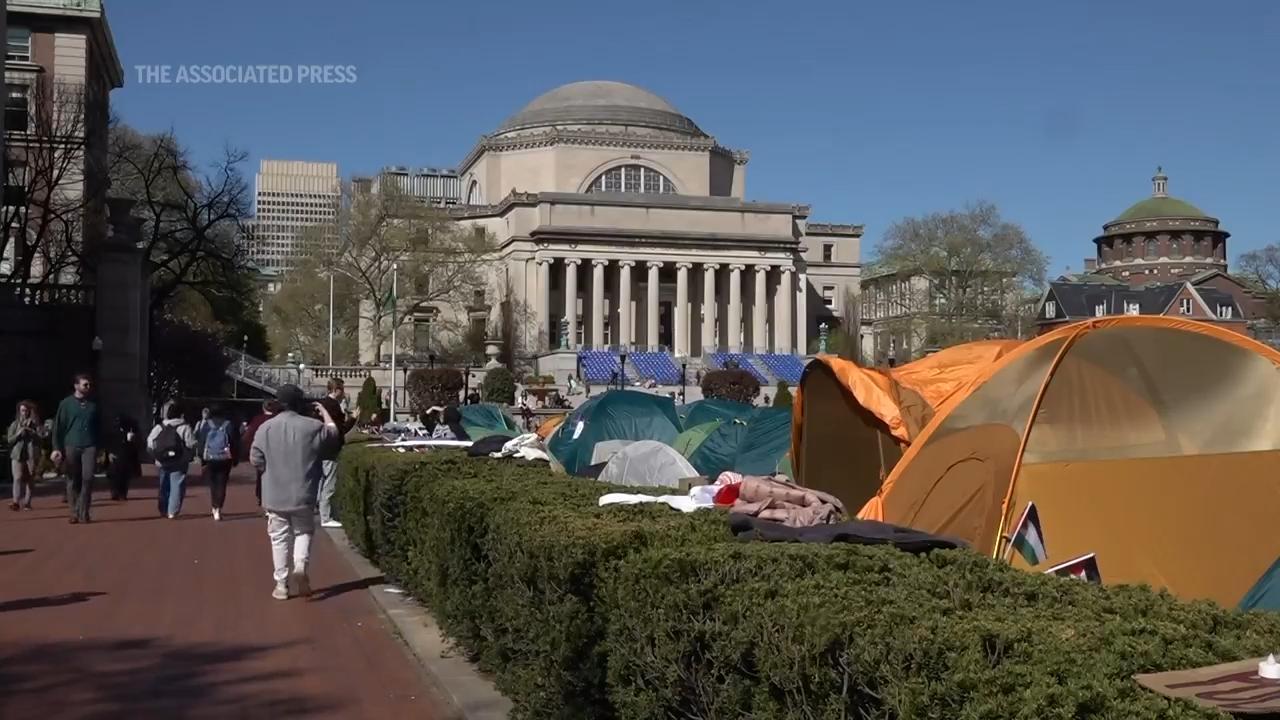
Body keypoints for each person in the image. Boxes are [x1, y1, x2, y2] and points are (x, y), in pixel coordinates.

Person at [251, 384, 340, 601]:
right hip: (304, 491)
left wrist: (267, 470)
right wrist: (324, 412)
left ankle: (281, 584)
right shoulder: (312, 426)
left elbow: (255, 458)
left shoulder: (265, 428)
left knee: (278, 538)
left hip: (274, 493)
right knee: (303, 531)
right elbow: (334, 434)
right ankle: (300, 565)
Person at [51, 373, 100, 524]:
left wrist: (102, 448)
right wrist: (56, 448)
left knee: (88, 478)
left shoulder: (94, 405)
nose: (88, 387)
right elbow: (58, 427)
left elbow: (99, 427)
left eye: (89, 384)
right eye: (85, 384)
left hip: (89, 445)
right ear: (76, 386)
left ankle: (83, 511)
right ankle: (74, 512)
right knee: (73, 479)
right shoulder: (66, 404)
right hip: (71, 444)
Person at [147, 402, 197, 519]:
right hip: (179, 461)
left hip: (162, 461)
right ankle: (172, 511)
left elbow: (150, 443)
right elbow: (191, 444)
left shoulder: (159, 427)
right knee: (177, 485)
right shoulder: (185, 427)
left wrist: (155, 455)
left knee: (163, 485)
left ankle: (163, 508)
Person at [316, 378, 354, 529]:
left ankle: (321, 510)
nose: (343, 393)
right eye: (342, 390)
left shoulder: (321, 404)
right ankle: (326, 516)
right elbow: (340, 430)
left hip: (319, 447)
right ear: (336, 390)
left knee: (320, 481)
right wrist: (353, 419)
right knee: (329, 484)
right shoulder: (333, 406)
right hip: (331, 448)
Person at [198, 405, 237, 521]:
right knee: (222, 483)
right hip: (225, 458)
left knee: (212, 483)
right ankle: (218, 506)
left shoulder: (207, 424)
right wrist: (235, 458)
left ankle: (214, 505)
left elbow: (202, 441)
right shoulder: (228, 425)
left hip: (210, 457)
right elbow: (234, 442)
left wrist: (202, 457)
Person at [243, 399, 282, 507]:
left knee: (261, 475)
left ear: (263, 408)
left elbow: (249, 436)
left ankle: (261, 496)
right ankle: (273, 497)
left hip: (262, 451)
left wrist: (249, 449)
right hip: (276, 452)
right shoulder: (278, 420)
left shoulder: (257, 420)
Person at [7, 400, 41, 511]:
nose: (24, 413)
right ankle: (15, 502)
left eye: (26, 411)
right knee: (17, 477)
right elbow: (9, 440)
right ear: (19, 411)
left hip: (31, 454)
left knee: (30, 479)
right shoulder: (15, 424)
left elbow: (41, 437)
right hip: (17, 454)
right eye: (22, 410)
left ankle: (27, 502)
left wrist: (31, 431)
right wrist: (18, 433)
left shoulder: (34, 424)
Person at [107, 414, 142, 501]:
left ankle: (118, 492)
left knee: (119, 476)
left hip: (121, 456)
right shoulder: (128, 432)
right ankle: (120, 493)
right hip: (123, 456)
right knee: (121, 476)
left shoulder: (118, 432)